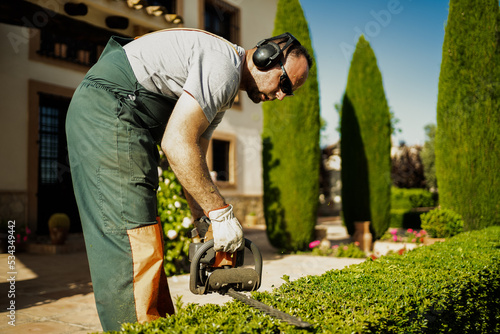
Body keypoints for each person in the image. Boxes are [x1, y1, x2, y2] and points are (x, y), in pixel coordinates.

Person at [66, 28, 312, 331]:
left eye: (290, 91)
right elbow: (176, 143)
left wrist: (203, 223)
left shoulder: (224, 88)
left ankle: (159, 326)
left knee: (144, 233)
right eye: (285, 82)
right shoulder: (222, 67)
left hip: (127, 117)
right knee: (131, 239)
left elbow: (191, 159)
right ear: (265, 57)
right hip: (110, 110)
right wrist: (222, 214)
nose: (282, 95)